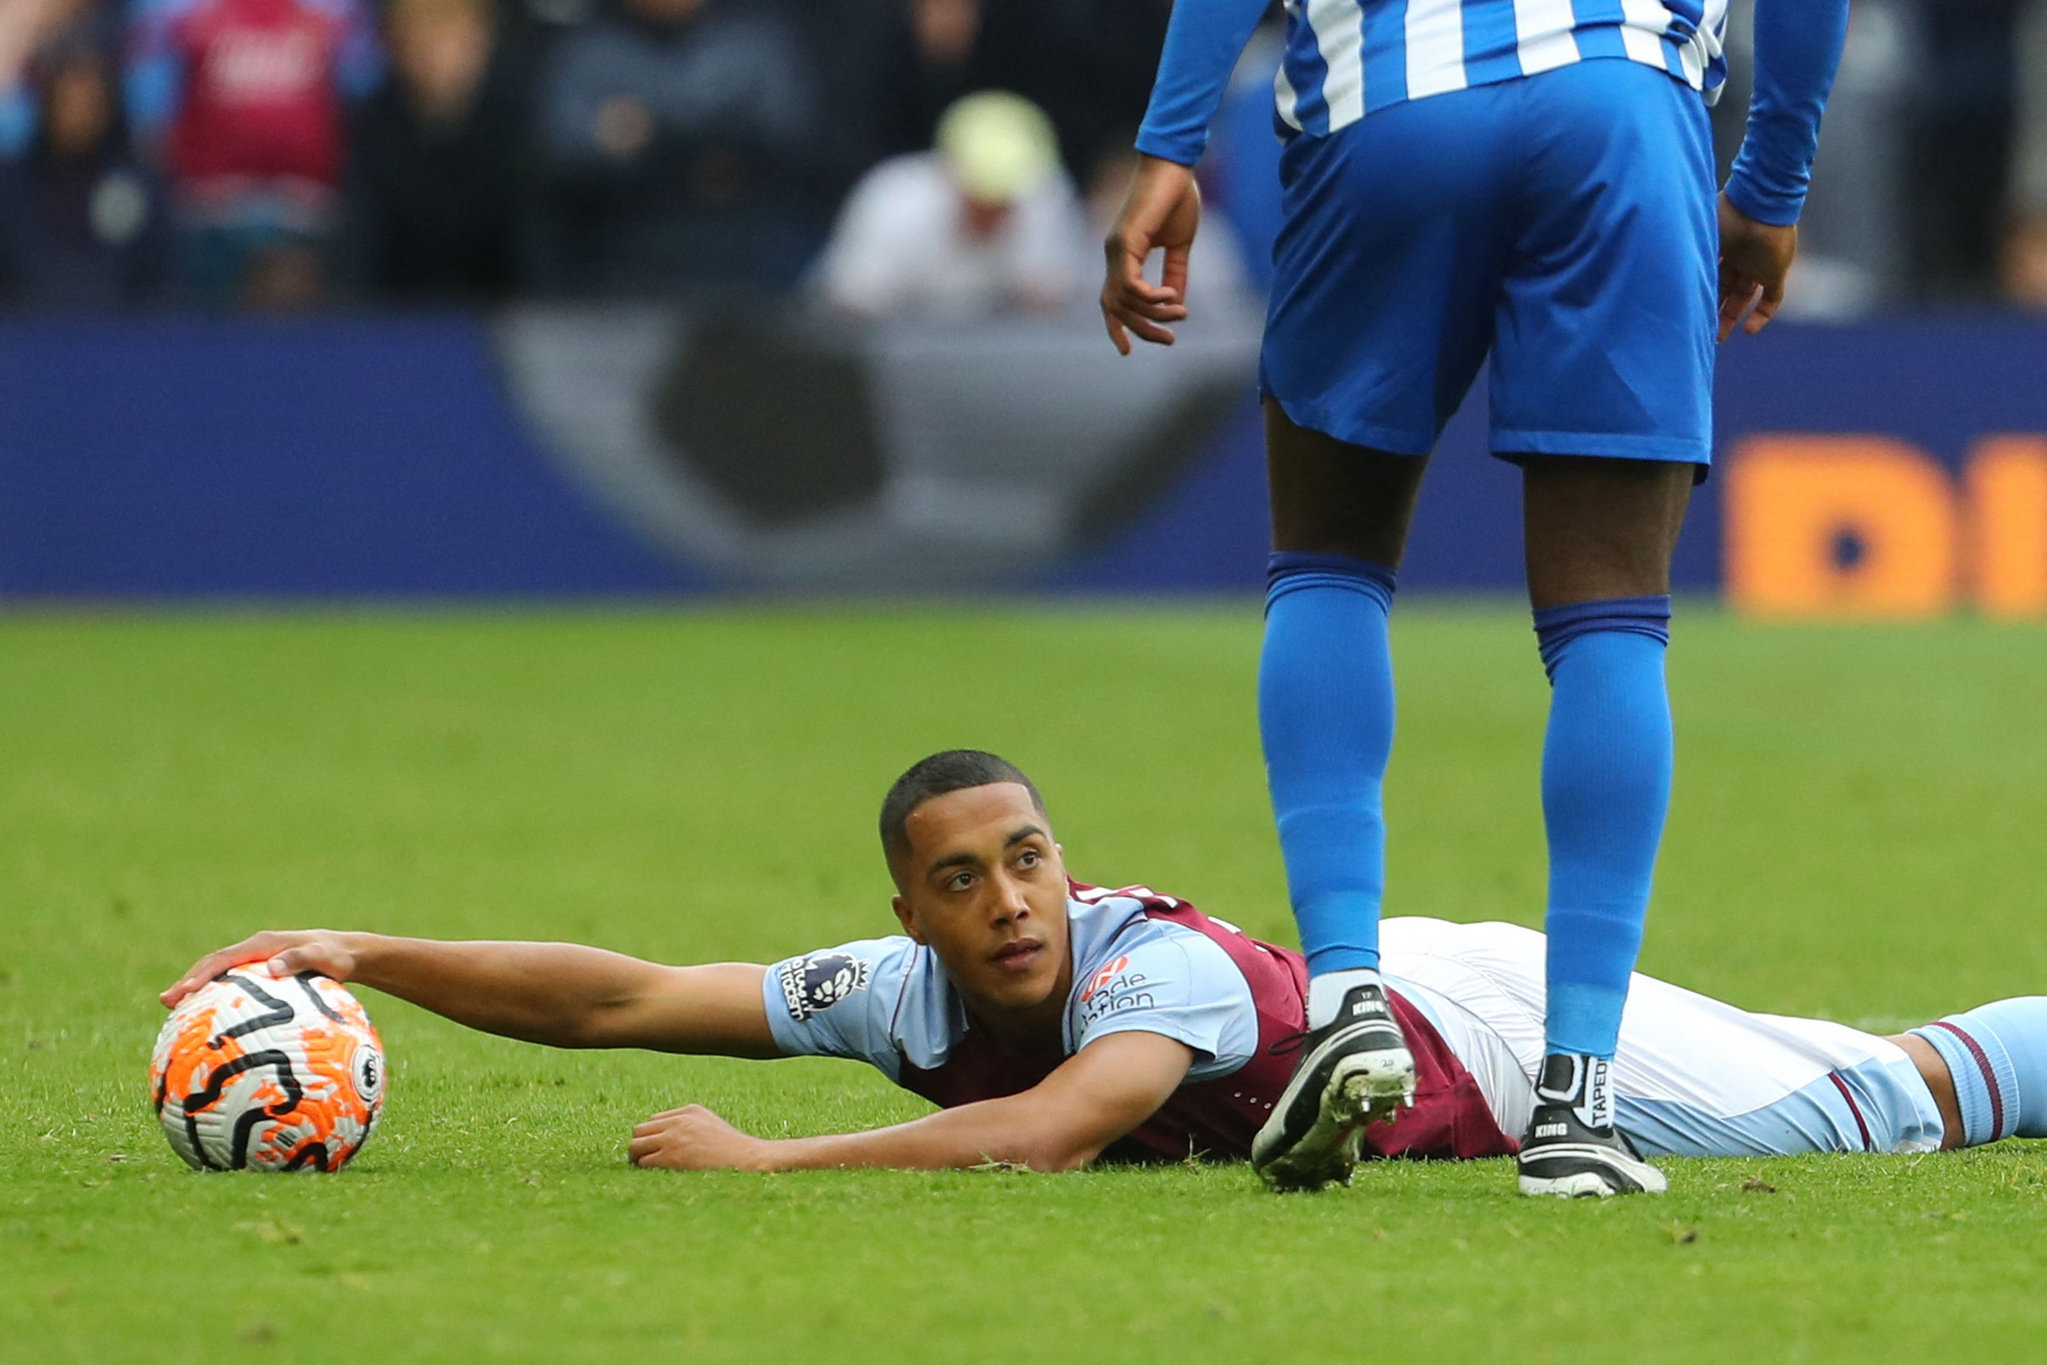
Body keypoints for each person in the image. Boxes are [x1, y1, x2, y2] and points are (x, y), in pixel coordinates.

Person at [1099, 0, 1850, 1194]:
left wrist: (1169, 147)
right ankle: (1577, 1104)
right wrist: (1770, 185)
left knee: (1330, 558)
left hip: (1390, 106)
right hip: (1621, 104)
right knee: (1612, 617)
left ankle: (1344, 996)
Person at [161, 750, 2044, 1185]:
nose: (1008, 902)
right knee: (1873, 1073)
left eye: (1029, 859)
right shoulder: (902, 996)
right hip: (1413, 1008)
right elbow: (622, 996)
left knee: (1892, 1099)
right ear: (912, 914)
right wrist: (355, 947)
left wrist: (768, 1164)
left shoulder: (1151, 977)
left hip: (1483, 1026)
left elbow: (1064, 1129)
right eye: (963, 880)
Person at [815, 91, 1088, 321]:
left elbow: (1049, 308)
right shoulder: (893, 203)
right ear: (948, 176)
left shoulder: (1045, 197)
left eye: (1005, 200)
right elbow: (849, 312)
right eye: (982, 195)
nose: (994, 211)